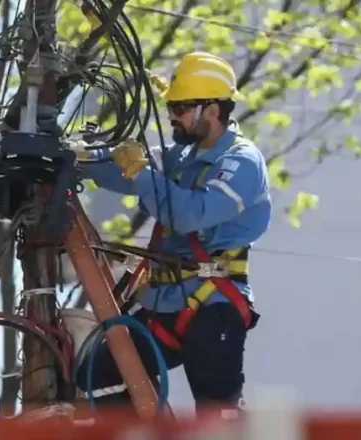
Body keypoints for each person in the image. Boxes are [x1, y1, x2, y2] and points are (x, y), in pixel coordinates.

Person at [72, 52, 272, 414]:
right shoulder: (181, 157)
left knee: (216, 416)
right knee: (98, 376)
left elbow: (189, 215)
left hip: (213, 307)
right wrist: (79, 156)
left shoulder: (241, 162)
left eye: (180, 107)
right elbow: (120, 169)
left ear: (212, 111)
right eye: (171, 106)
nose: (171, 115)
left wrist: (140, 172)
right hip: (165, 304)